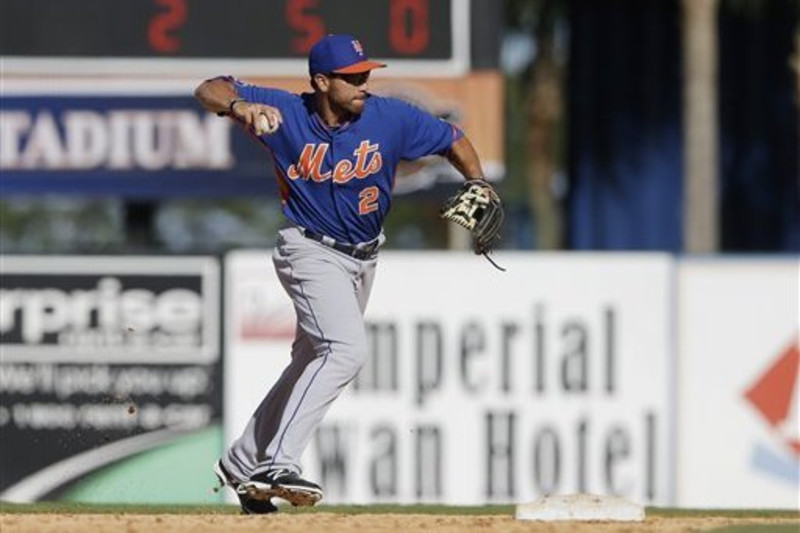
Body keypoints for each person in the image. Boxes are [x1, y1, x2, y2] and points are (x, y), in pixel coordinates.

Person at [195, 34, 488, 514]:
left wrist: (477, 182)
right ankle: (278, 463)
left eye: (365, 73)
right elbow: (208, 88)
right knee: (346, 350)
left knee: (310, 362)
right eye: (352, 77)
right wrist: (240, 106)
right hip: (308, 249)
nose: (363, 83)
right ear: (321, 81)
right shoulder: (285, 111)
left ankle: (242, 460)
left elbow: (453, 139)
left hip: (364, 258)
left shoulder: (389, 116)